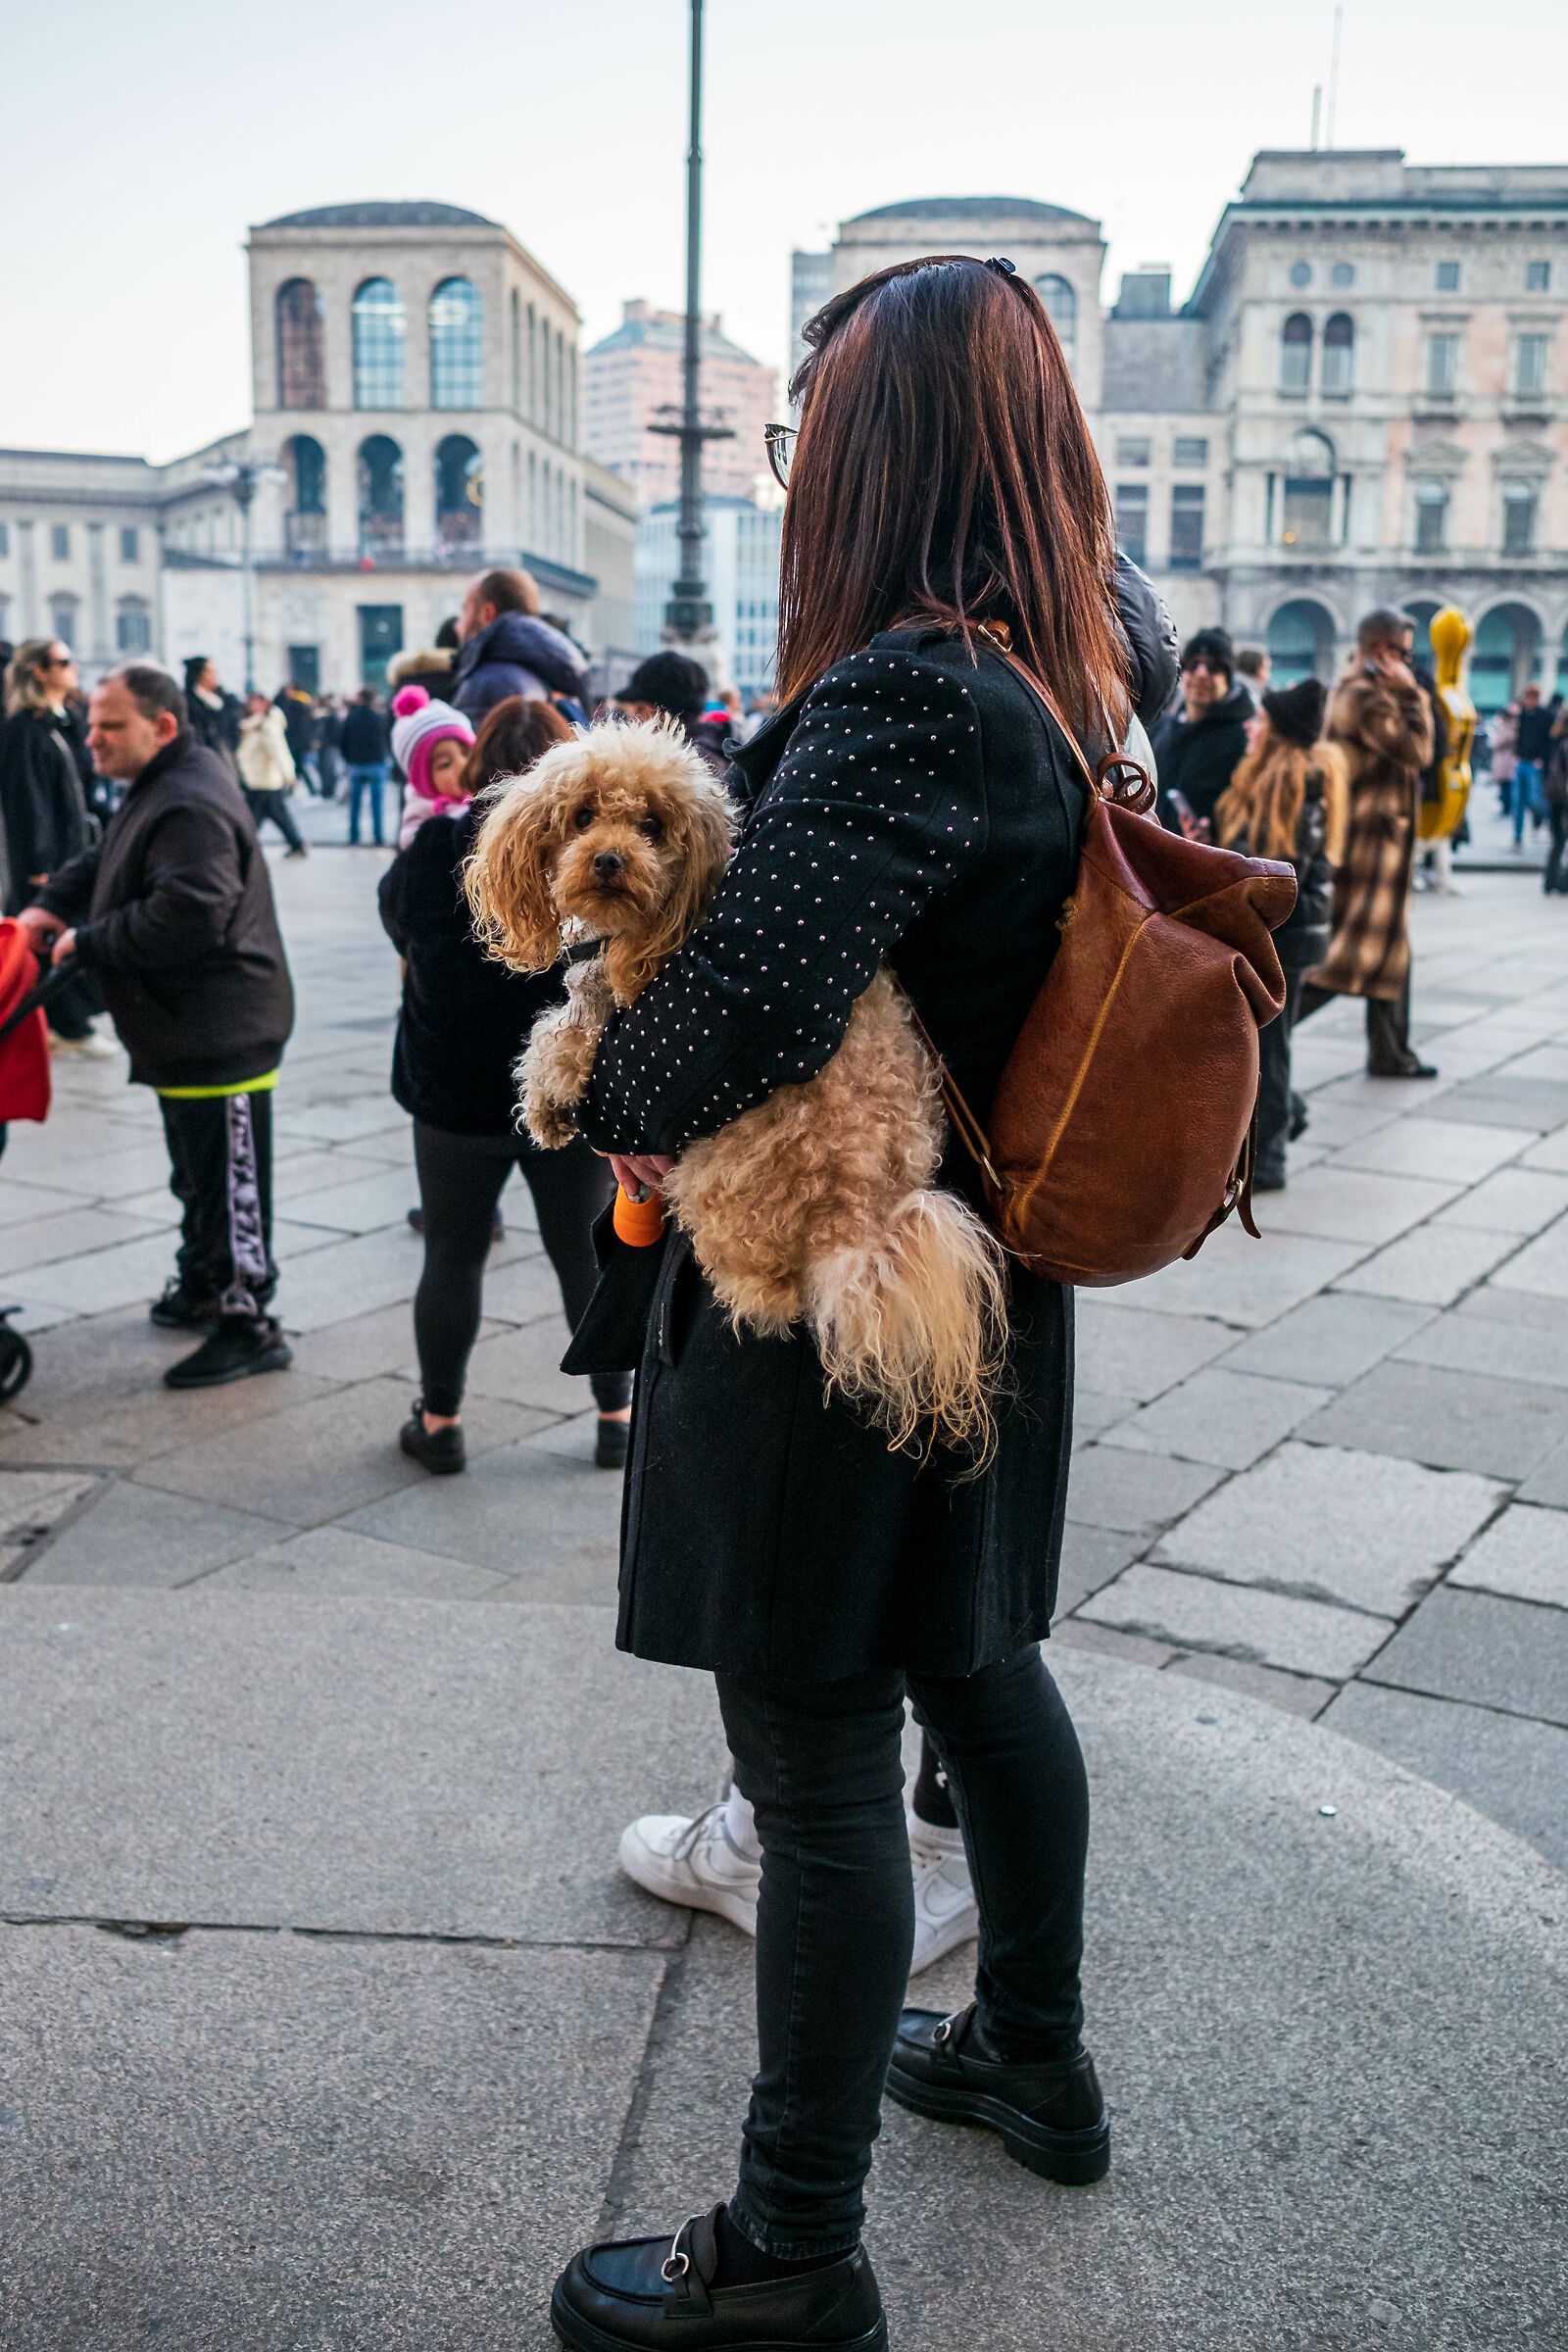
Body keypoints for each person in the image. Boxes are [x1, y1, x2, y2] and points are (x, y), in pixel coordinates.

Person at [543, 253, 1136, 2352]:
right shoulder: (1065, 670)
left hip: (832, 1314)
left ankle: (789, 2254)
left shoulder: (903, 690)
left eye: (808, 434)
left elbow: (754, 994)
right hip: (976, 1288)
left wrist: (608, 1099)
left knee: (812, 1770)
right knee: (979, 1681)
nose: (792, 474)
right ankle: (1029, 2056)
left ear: (868, 461)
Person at [18, 666, 295, 1388]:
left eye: (109, 726)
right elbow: (109, 851)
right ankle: (205, 1280)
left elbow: (192, 911)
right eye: (93, 722)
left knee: (229, 1181)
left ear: (161, 726)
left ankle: (249, 1320)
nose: (91, 737)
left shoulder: (191, 800)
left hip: (221, 1031)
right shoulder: (169, 780)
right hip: (187, 1029)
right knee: (199, 1175)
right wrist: (54, 906)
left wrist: (91, 940)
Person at [378, 695, 632, 1475]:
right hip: (566, 1091)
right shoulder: (596, 860)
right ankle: (616, 1418)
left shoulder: (433, 850)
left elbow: (397, 924)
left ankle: (442, 1419)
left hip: (453, 1094)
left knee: (452, 1253)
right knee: (583, 1253)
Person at [1213, 679, 1347, 1187]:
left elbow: (1284, 870)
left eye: (1262, 721)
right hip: (1278, 932)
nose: (1251, 726)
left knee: (1272, 1047)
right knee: (1264, 1043)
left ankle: (1269, 1158)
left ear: (1280, 734)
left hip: (1286, 935)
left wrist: (1235, 855)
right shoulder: (1267, 778)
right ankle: (1286, 1115)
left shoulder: (1298, 784)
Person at [1300, 610, 1436, 1079]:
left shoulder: (1353, 691)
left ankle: (1392, 1053)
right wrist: (1413, 694)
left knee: (1391, 950)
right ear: (1382, 651)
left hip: (1377, 837)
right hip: (1373, 843)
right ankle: (1262, 1031)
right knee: (1347, 957)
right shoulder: (1367, 697)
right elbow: (1417, 750)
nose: (1410, 662)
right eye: (1405, 653)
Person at [0, 638, 112, 1055]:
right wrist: (39, 863)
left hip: (73, 847)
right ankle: (71, 1026)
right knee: (44, 937)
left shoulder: (64, 721)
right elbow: (26, 801)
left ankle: (49, 1022)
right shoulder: (23, 728)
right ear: (39, 671)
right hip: (46, 857)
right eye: (63, 662)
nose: (74, 668)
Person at [450, 568, 589, 724]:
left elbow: (477, 748)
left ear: (487, 613)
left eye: (465, 610)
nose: (457, 625)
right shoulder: (552, 672)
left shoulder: (487, 683)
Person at [1150, 627, 1251, 836]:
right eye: (1193, 664)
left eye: (1213, 667)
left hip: (1211, 856)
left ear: (1228, 677)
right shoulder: (1162, 726)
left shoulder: (1243, 736)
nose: (1201, 674)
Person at [389, 684, 474, 850]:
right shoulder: (421, 816)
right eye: (444, 764)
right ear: (423, 781)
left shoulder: (488, 797)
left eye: (467, 753)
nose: (462, 765)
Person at [617, 650, 728, 776]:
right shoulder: (715, 749)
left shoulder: (683, 766)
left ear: (666, 714)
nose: (633, 719)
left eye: (641, 709)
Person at [235, 692, 308, 857]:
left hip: (265, 780)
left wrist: (289, 774)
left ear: (264, 704)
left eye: (255, 702)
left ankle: (245, 847)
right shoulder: (253, 724)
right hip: (257, 779)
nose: (251, 706)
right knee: (275, 815)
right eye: (250, 702)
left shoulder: (268, 725)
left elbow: (279, 750)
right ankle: (296, 844)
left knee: (255, 818)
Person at [340, 688, 391, 846]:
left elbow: (342, 741)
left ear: (360, 698)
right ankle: (378, 837)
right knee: (377, 805)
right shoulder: (379, 718)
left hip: (356, 764)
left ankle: (354, 837)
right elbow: (387, 739)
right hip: (375, 763)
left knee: (354, 804)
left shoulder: (351, 717)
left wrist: (349, 758)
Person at [182, 659, 243, 778]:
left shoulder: (223, 700)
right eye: (210, 672)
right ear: (200, 674)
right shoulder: (189, 702)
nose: (215, 676)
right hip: (202, 764)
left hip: (222, 759)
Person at [1513, 685, 1553, 848]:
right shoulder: (1523, 715)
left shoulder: (1544, 716)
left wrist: (1542, 760)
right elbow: (1520, 737)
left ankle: (1548, 822)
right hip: (1521, 761)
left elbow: (1548, 741)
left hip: (1535, 763)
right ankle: (1517, 836)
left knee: (1535, 799)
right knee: (1518, 801)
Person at [274, 682, 320, 794]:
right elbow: (307, 724)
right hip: (296, 741)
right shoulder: (297, 705)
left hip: (288, 740)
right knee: (298, 765)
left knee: (296, 765)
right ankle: (305, 788)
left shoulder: (277, 706)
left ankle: (291, 787)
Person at [1544, 702, 1568, 898]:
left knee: (1558, 840)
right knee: (1560, 839)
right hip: (1563, 797)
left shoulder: (1557, 737)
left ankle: (1551, 880)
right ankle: (1557, 880)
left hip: (1556, 796)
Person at [1491, 702, 1519, 817]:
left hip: (1507, 761)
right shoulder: (1509, 727)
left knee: (1506, 786)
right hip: (1504, 760)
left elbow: (1496, 742)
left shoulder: (1511, 728)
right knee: (1505, 785)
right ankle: (1506, 807)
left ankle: (1507, 807)